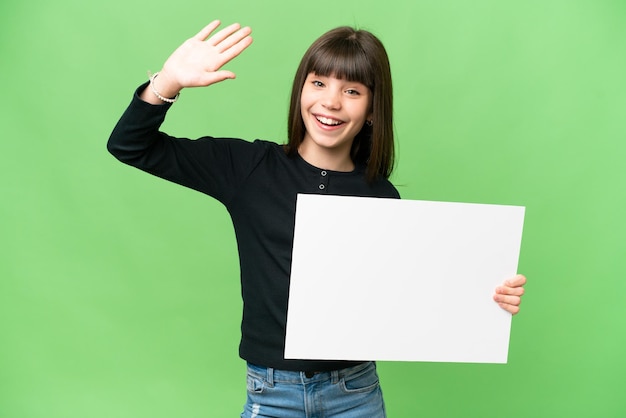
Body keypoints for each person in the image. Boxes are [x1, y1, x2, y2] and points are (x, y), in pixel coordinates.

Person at [108, 20, 526, 418]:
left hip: (355, 393)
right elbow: (130, 145)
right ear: (301, 91)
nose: (331, 101)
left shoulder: (382, 196)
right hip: (271, 392)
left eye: (353, 90)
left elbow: (412, 293)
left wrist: (487, 296)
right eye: (319, 83)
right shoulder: (249, 168)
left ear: (373, 109)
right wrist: (168, 81)